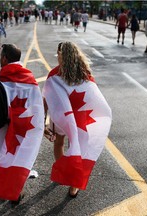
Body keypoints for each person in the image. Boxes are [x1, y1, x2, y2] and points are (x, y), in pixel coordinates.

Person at [42, 41, 112, 198]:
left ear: (61, 55)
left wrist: (43, 120)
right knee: (78, 149)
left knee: (59, 143)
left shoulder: (54, 74)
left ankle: (64, 174)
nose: (57, 58)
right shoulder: (85, 73)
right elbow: (93, 96)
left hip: (61, 118)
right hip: (80, 118)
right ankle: (74, 186)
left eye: (58, 55)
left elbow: (47, 98)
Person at [0, 44, 44, 204]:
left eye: (1, 56)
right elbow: (37, 106)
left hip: (1, 125)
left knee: (3, 155)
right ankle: (16, 190)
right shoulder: (30, 78)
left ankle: (6, 189)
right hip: (23, 125)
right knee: (20, 156)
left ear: (5, 58)